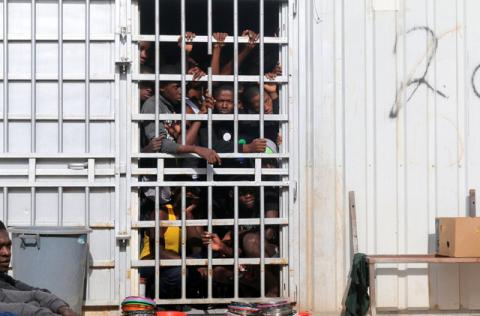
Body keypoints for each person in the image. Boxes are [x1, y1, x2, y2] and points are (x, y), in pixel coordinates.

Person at [0, 221, 77, 316]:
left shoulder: (3, 279)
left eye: (8, 246)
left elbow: (35, 294)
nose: (6, 253)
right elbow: (23, 309)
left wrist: (62, 307)